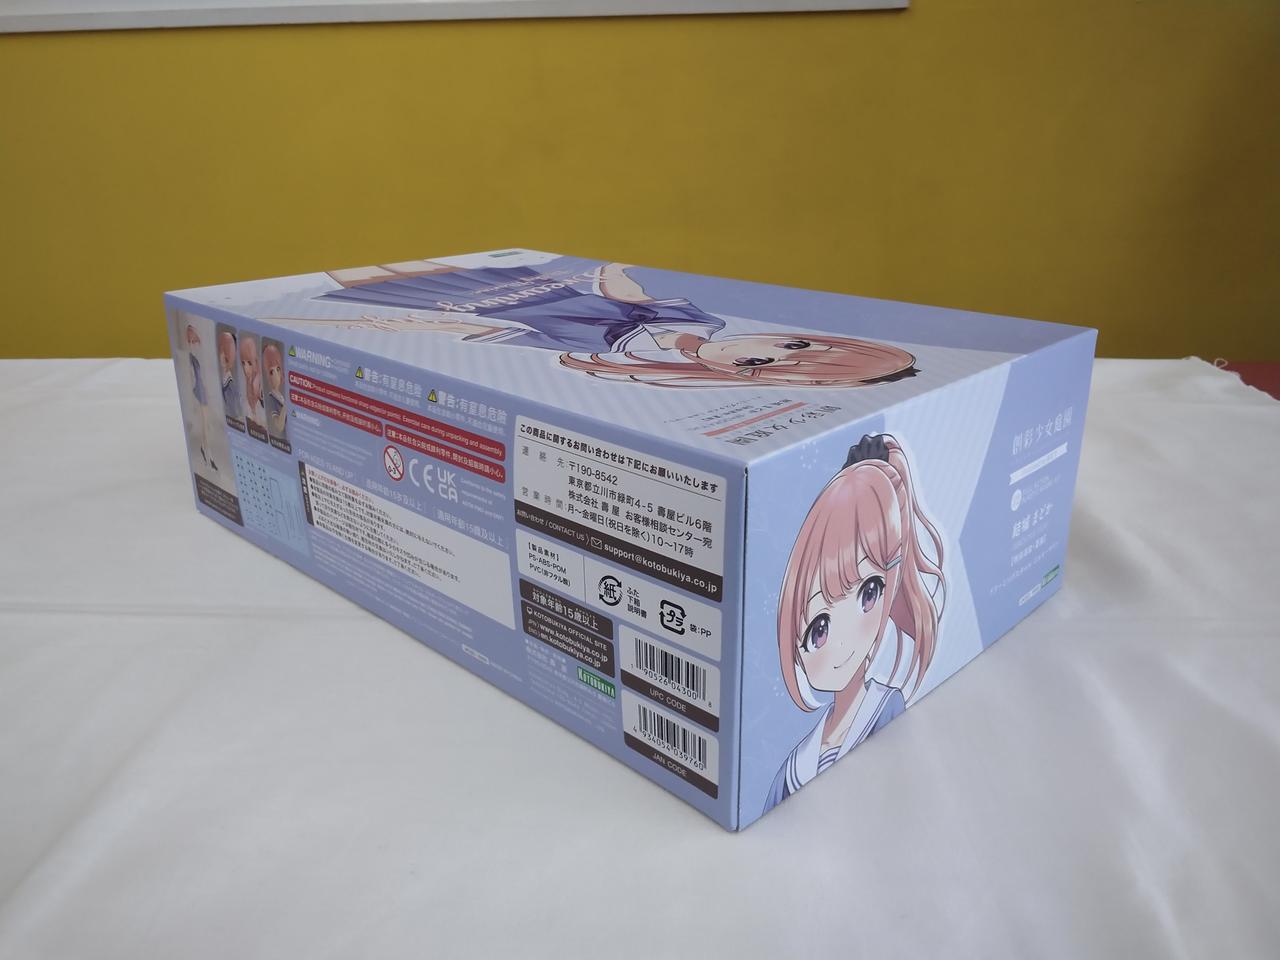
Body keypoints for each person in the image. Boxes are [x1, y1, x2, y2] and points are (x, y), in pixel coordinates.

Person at [280, 261, 917, 389]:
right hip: (540, 291)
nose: (762, 354)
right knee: (435, 272)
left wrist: (415, 332)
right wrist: (610, 270)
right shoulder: (700, 318)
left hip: (506, 321)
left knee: (397, 293)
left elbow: (520, 344)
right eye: (794, 346)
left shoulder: (642, 370)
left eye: (768, 368)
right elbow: (630, 293)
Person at [764, 434, 944, 813]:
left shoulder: (885, 710)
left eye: (868, 593)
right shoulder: (791, 770)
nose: (842, 641)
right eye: (818, 629)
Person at [184, 322, 217, 472]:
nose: (192, 344)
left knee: (206, 427)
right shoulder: (191, 359)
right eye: (189, 341)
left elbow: (202, 378)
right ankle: (209, 457)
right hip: (198, 395)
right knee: (205, 428)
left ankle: (206, 452)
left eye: (194, 340)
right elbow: (192, 380)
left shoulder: (198, 358)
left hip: (202, 392)